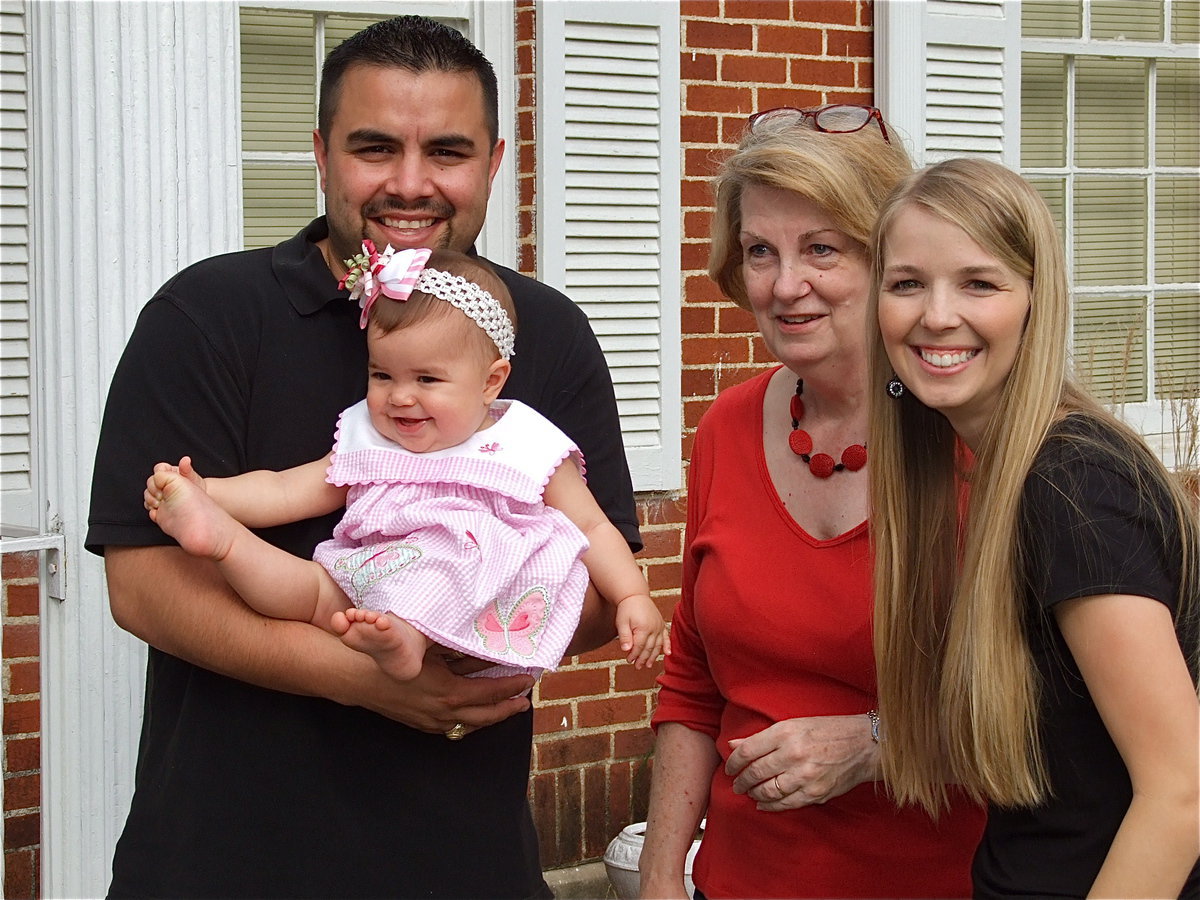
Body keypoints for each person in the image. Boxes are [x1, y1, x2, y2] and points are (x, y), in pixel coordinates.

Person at [86, 15, 641, 899]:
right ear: (320, 152)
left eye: (449, 152)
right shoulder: (207, 317)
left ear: (495, 163)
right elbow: (143, 586)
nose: (410, 184)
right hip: (220, 863)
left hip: (465, 864)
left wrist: (461, 636)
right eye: (374, 147)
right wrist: (368, 679)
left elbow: (602, 584)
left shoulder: (547, 335)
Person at [639, 106, 984, 900]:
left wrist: (876, 745)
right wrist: (661, 877)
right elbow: (693, 678)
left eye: (821, 249)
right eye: (761, 251)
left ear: (891, 258)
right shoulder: (726, 428)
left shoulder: (974, 441)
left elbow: (1054, 707)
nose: (785, 285)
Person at [869, 157, 1200, 898]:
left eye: (978, 283)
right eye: (907, 283)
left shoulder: (1074, 484)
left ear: (1034, 303)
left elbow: (1181, 793)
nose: (936, 314)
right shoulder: (994, 468)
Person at [143, 246, 667, 681]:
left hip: (474, 583)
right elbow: (287, 489)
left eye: (427, 380)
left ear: (491, 381)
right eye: (381, 376)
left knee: (430, 583)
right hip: (376, 577)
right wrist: (210, 490)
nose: (399, 398)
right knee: (310, 590)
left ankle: (407, 643)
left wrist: (632, 595)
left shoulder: (525, 441)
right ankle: (223, 541)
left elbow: (593, 524)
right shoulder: (370, 438)